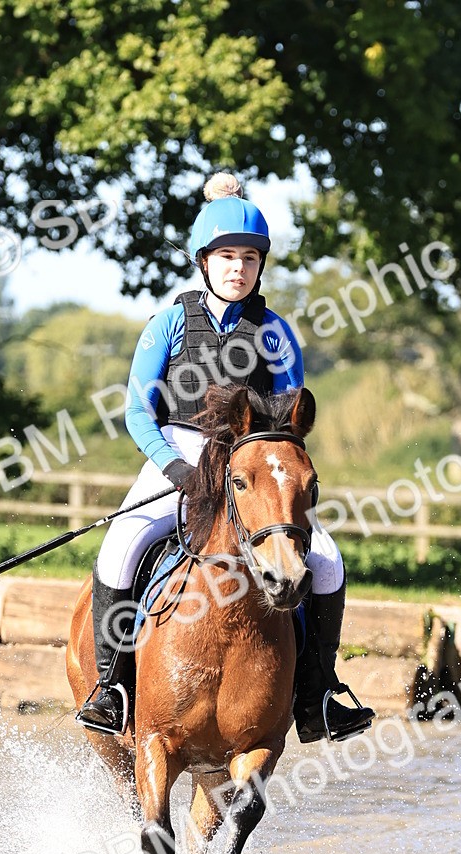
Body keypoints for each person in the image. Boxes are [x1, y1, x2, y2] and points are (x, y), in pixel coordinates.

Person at [77, 172, 375, 743]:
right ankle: (112, 687)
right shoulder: (167, 323)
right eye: (226, 256)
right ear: (204, 261)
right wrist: (179, 471)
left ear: (261, 265)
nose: (238, 268)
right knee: (120, 548)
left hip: (251, 464)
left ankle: (319, 696)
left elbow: (289, 423)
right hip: (179, 451)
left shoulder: (276, 333)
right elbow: (139, 413)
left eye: (249, 257)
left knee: (329, 562)